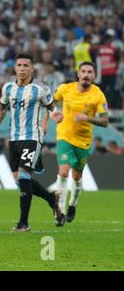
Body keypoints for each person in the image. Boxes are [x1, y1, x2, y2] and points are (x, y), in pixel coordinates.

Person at [0, 53, 65, 232]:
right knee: (20, 181)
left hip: (32, 137)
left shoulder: (40, 89)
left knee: (24, 176)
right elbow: (1, 109)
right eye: (19, 65)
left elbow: (51, 108)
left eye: (25, 65)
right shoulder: (8, 88)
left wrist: (54, 115)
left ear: (32, 69)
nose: (22, 69)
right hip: (14, 139)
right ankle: (51, 198)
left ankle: (24, 223)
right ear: (15, 68)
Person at [53, 61, 109, 224]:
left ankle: (73, 204)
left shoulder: (98, 95)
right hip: (64, 136)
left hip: (83, 141)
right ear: (78, 74)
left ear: (94, 75)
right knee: (63, 172)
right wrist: (49, 116)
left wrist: (88, 118)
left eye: (89, 72)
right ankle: (60, 212)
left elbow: (105, 121)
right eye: (83, 71)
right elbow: (50, 102)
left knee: (77, 177)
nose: (86, 74)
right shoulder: (65, 88)